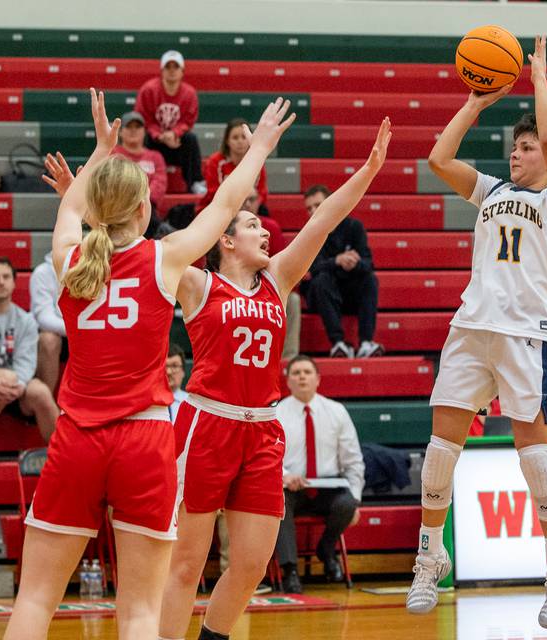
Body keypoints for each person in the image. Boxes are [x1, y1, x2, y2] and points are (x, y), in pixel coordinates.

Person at [3, 89, 294, 640]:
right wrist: (256, 149)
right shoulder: (165, 257)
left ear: (93, 210)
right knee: (138, 611)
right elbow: (227, 203)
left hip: (78, 437)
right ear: (144, 210)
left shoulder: (67, 258)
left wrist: (100, 150)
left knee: (37, 597)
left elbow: (70, 210)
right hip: (144, 441)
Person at [158, 118, 390, 640]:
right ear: (226, 239)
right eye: (252, 227)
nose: (265, 231)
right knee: (187, 563)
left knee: (251, 563)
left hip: (262, 430)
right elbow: (216, 208)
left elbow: (324, 221)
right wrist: (256, 151)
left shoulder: (279, 280)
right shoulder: (197, 283)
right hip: (207, 425)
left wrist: (368, 172)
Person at [405, 36, 547, 631]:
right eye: (515, 146)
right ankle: (430, 557)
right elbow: (438, 158)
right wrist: (477, 101)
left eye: (526, 147)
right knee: (438, 455)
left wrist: (537, 80)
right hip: (471, 327)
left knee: (536, 462)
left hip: (527, 336)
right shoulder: (492, 190)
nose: (517, 154)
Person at [274, 354, 365, 594]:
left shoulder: (336, 411)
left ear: (318, 379)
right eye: (296, 373)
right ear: (288, 381)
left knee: (347, 503)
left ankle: (326, 548)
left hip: (328, 485)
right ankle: (290, 570)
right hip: (292, 485)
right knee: (279, 504)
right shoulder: (277, 413)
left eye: (307, 372)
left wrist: (355, 498)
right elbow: (269, 455)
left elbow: (353, 459)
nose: (302, 376)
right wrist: (284, 475)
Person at [0, 257, 58, 442]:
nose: (1, 282)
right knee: (3, 379)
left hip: (13, 385)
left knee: (40, 392)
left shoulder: (26, 321)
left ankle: (64, 459)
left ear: (14, 283)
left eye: (6, 277)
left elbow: (26, 362)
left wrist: (20, 384)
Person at [302, 185, 383, 358]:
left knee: (370, 279)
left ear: (331, 203)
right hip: (323, 295)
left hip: (348, 291)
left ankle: (366, 342)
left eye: (317, 205)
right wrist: (337, 261)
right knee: (321, 280)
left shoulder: (353, 226)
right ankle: (338, 342)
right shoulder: (309, 233)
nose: (312, 211)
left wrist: (354, 263)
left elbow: (368, 263)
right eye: (309, 208)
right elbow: (312, 268)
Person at [240, 185, 301, 360]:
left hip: (265, 284)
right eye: (243, 199)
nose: (247, 204)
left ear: (259, 201)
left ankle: (288, 359)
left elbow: (285, 265)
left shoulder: (270, 227)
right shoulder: (225, 228)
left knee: (293, 300)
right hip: (236, 285)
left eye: (251, 199)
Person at [135, 50, 206, 195]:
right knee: (143, 138)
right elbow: (143, 118)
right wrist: (159, 135)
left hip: (176, 142)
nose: (172, 71)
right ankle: (141, 181)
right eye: (168, 67)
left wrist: (174, 133)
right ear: (162, 70)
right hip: (155, 140)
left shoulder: (189, 93)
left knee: (191, 139)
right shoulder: (148, 90)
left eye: (176, 67)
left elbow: (188, 120)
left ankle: (195, 182)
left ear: (182, 71)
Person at [198, 118, 269, 212]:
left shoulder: (256, 161)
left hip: (248, 208)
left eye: (244, 137)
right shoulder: (215, 161)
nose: (240, 141)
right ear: (227, 141)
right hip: (218, 209)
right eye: (235, 138)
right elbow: (213, 192)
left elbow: (261, 193)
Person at [29, 251, 66, 395]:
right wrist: (79, 330)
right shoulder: (42, 272)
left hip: (82, 332)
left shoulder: (91, 269)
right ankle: (46, 405)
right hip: (62, 333)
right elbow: (44, 319)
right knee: (49, 339)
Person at [166, 343, 188, 422]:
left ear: (183, 371)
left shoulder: (191, 404)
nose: (168, 372)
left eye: (174, 366)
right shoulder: (150, 405)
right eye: (164, 366)